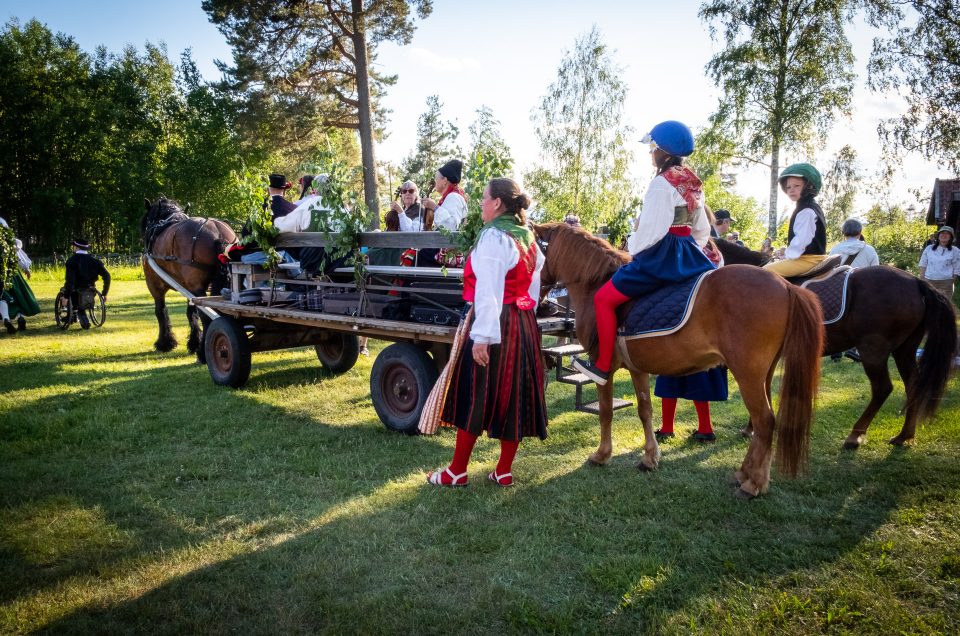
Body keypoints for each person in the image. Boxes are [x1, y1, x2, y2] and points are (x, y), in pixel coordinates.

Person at [572, 120, 714, 385]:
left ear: (665, 152)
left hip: (661, 255)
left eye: (653, 148)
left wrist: (633, 248)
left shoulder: (661, 184)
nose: (650, 153)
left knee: (603, 299)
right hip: (687, 252)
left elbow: (652, 232)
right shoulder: (692, 182)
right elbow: (701, 228)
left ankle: (602, 365)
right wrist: (690, 249)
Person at [427, 177, 547, 487]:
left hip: (496, 321)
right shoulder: (526, 236)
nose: (480, 202)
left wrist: (482, 337)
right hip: (521, 321)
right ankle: (503, 470)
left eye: (484, 198)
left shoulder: (494, 236)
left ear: (497, 203)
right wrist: (524, 313)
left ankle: (457, 471)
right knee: (514, 394)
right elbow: (534, 280)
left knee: (475, 391)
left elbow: (488, 290)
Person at [763, 163, 827, 278]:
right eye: (788, 187)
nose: (791, 190)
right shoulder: (806, 207)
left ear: (809, 187)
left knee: (762, 272)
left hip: (808, 260)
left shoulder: (806, 211)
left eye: (796, 186)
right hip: (809, 258)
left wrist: (788, 255)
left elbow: (801, 240)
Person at [0, 219, 39, 334]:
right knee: (18, 297)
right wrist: (26, 268)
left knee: (3, 297)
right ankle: (20, 317)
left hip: (3, 272)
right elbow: (17, 253)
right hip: (12, 272)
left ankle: (6, 318)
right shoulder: (4, 227)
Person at [63, 238, 111, 329]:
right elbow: (107, 276)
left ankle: (74, 314)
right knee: (79, 294)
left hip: (75, 291)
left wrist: (65, 297)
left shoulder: (71, 261)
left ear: (76, 247)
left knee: (65, 290)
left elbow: (70, 281)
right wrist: (105, 293)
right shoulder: (95, 261)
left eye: (73, 246)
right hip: (90, 290)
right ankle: (79, 314)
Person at [421, 159, 467, 231]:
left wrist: (434, 207)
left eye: (436, 179)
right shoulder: (451, 196)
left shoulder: (453, 197)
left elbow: (452, 226)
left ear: (445, 181)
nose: (435, 182)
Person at [918, 226, 960, 299]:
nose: (944, 235)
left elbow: (957, 267)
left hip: (946, 282)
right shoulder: (929, 248)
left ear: (951, 237)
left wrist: (952, 280)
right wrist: (922, 279)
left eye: (947, 234)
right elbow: (923, 264)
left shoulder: (955, 250)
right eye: (942, 233)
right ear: (938, 236)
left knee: (944, 305)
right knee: (929, 303)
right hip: (929, 281)